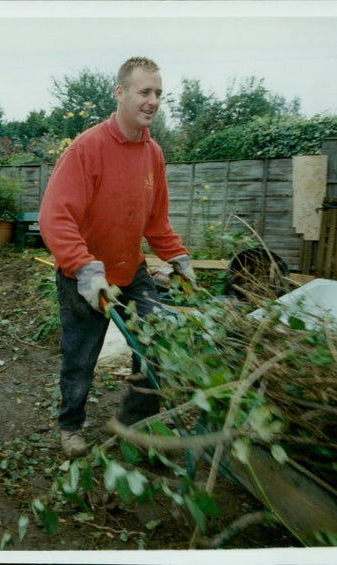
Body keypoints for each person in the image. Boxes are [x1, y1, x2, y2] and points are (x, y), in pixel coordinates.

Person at [38, 56, 198, 459]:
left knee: (157, 339)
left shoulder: (153, 154)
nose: (153, 101)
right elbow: (54, 217)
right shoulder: (87, 148)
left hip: (131, 270)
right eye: (145, 91)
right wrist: (83, 266)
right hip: (85, 275)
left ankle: (136, 425)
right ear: (121, 92)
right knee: (81, 357)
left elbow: (156, 221)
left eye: (159, 93)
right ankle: (70, 426)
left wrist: (177, 257)